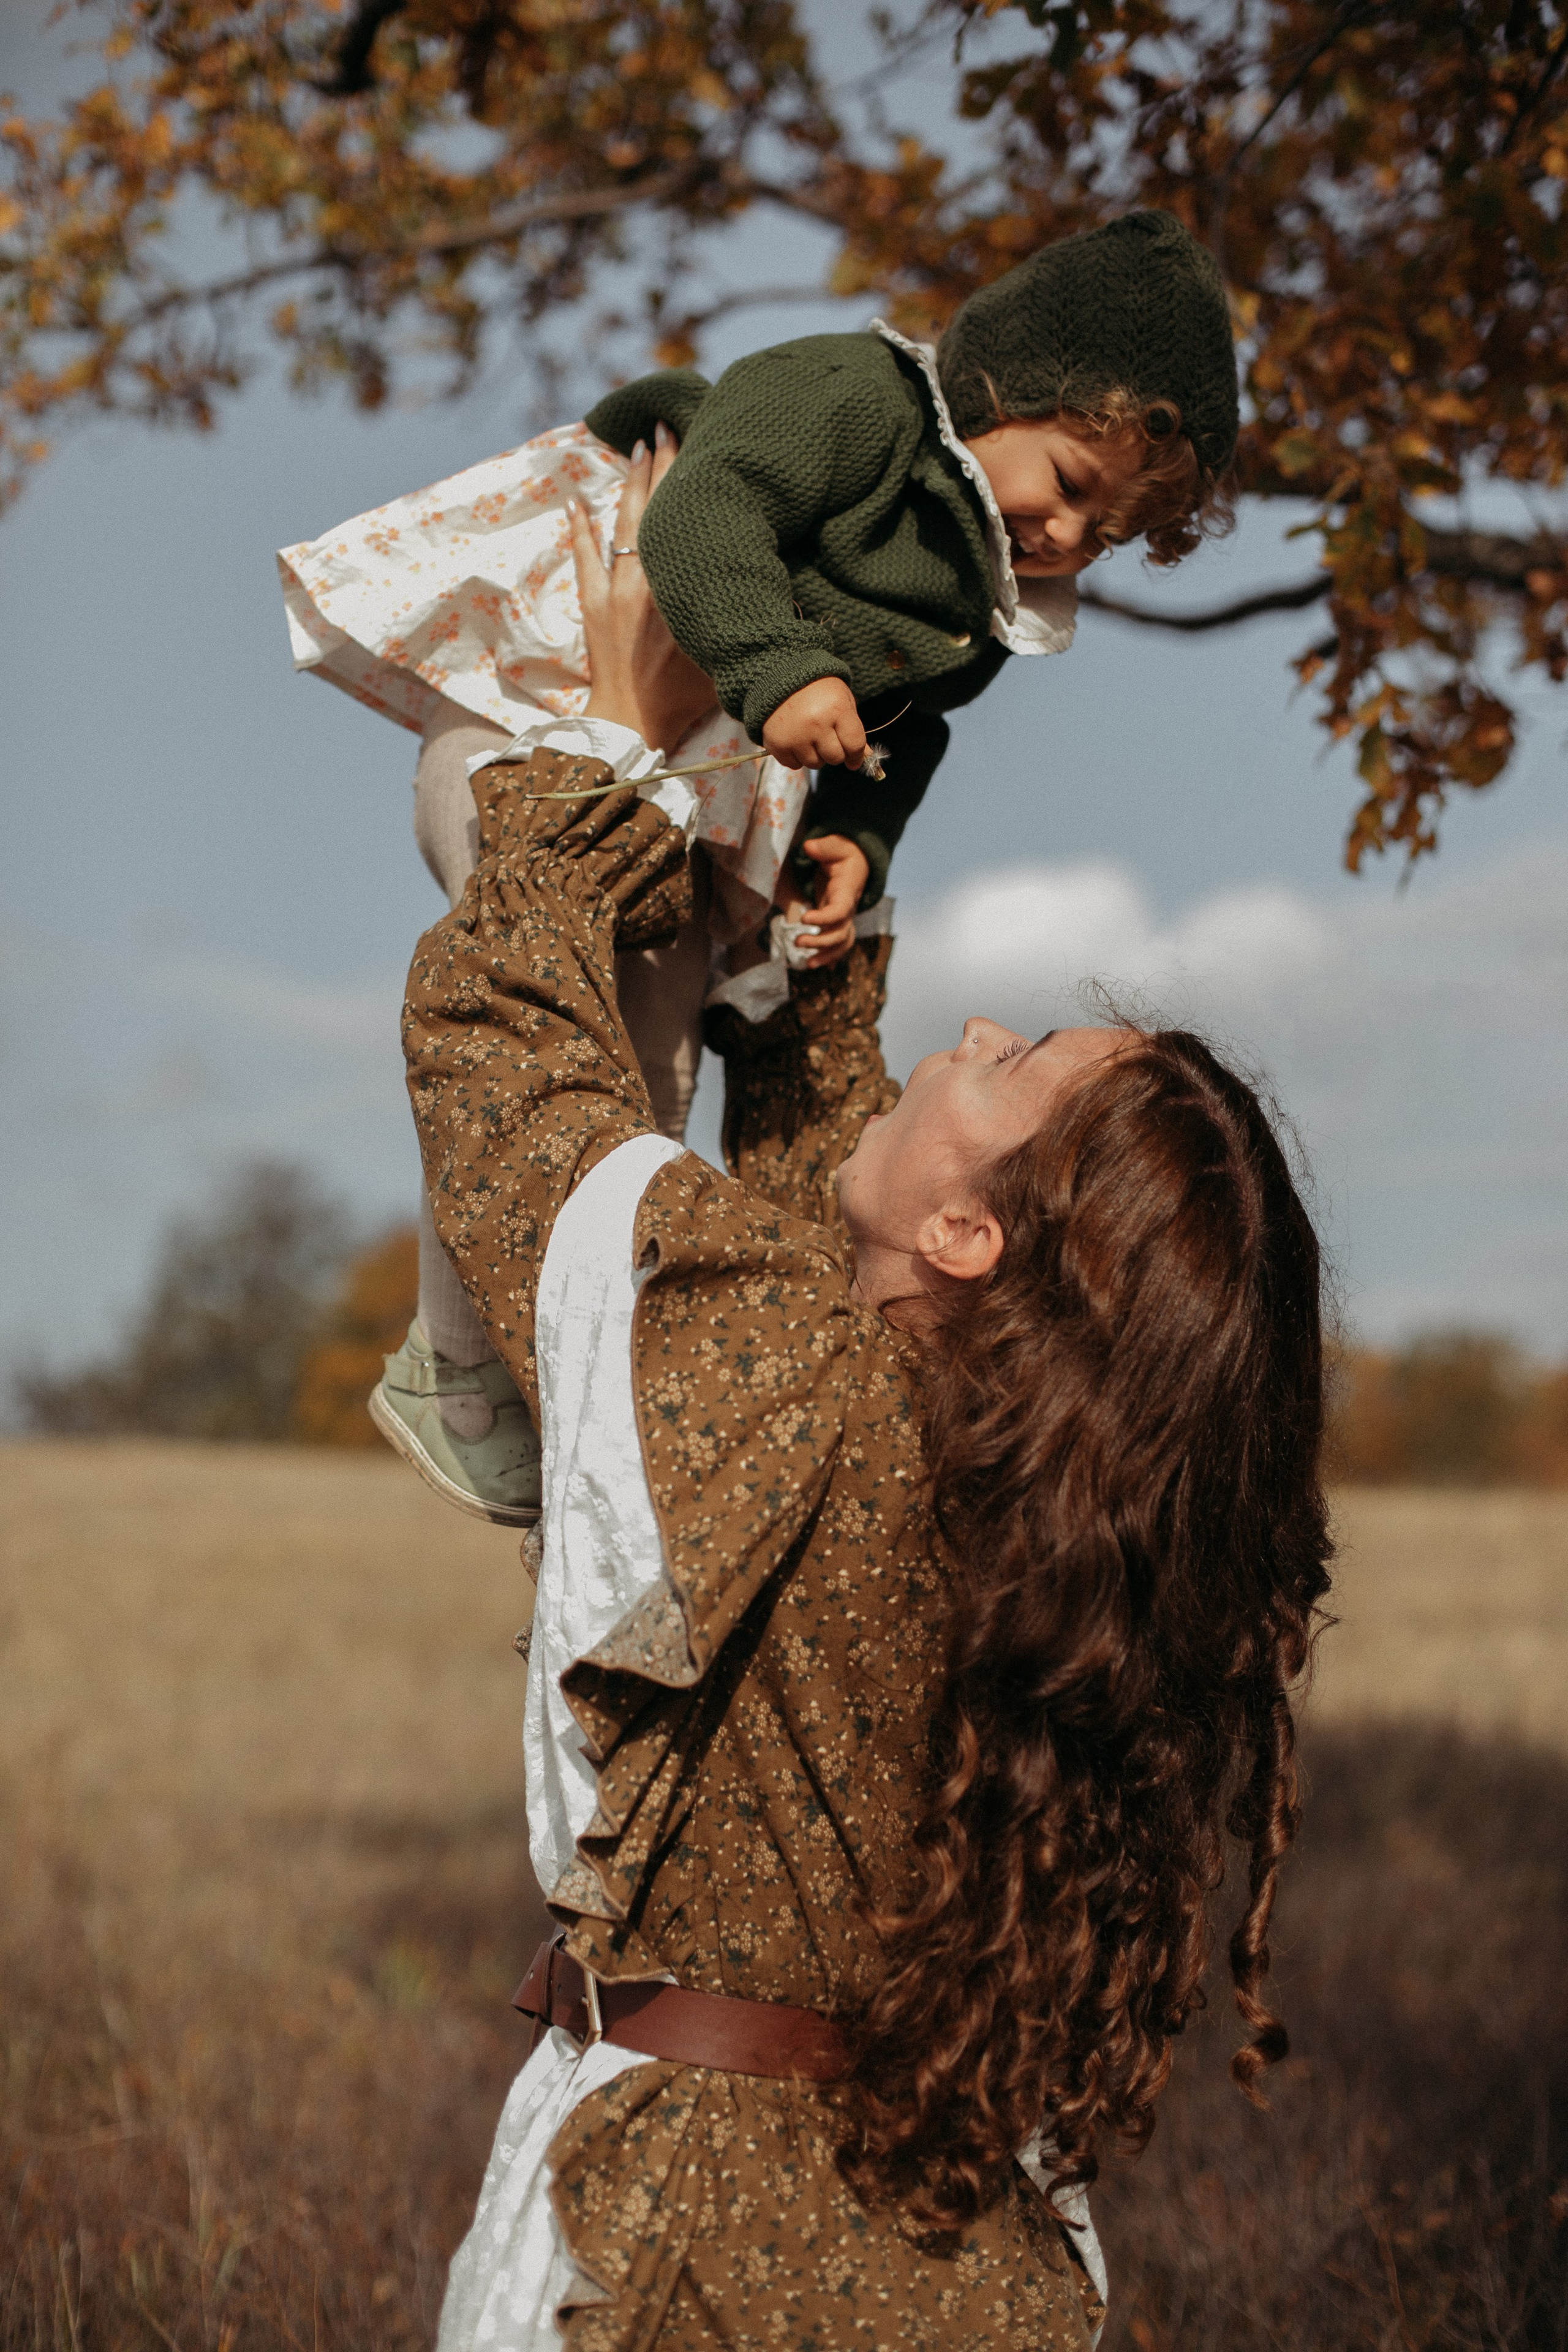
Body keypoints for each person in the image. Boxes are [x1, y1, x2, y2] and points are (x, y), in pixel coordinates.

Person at [402, 445, 1332, 2351]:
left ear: (985, 1244)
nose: (969, 1037)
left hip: (680, 2254)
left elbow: (516, 1081)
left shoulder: (793, 1377)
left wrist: (577, 757)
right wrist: (822, 1002)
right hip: (966, 2236)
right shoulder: (1057, 1513)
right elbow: (857, 1255)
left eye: (1011, 1069)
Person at [281, 210, 1239, 1526]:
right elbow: (699, 514)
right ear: (1005, 389)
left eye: (1110, 528)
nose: (1071, 533)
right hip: (548, 692)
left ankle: (563, 1359)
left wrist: (857, 838)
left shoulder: (982, 595)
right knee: (534, 998)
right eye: (1070, 481)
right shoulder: (854, 399)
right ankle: (460, 1371)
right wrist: (781, 669)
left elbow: (912, 729)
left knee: (645, 1066)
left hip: (676, 786)